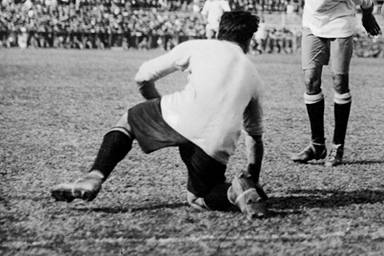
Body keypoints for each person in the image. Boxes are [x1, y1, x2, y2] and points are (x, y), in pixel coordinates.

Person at [50, 11, 268, 218]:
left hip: (180, 115)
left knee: (128, 120)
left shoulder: (199, 46)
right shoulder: (255, 76)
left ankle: (94, 177)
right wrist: (254, 179)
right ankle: (234, 192)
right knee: (198, 198)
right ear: (248, 40)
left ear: (220, 31)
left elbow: (143, 76)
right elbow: (255, 137)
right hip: (217, 141)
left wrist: (156, 106)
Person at [285, 0, 381, 167]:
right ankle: (317, 145)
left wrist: (367, 15)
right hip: (312, 26)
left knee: (339, 82)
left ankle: (337, 146)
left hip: (339, 26)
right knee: (310, 81)